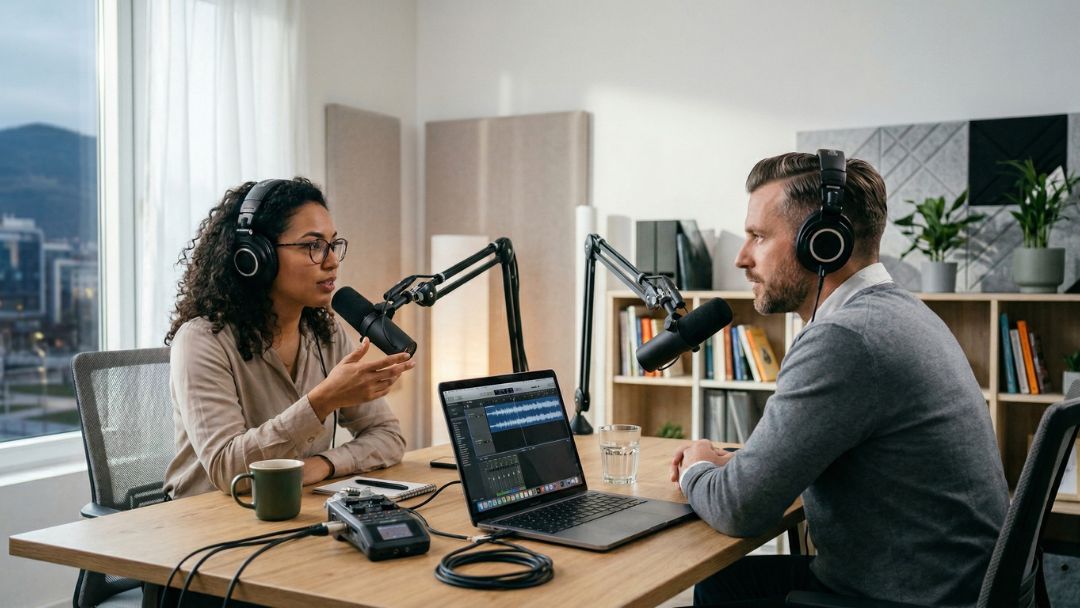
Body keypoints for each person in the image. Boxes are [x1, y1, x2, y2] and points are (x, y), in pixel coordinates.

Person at [670, 153, 1008, 607]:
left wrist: (696, 465)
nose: (741, 258)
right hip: (956, 585)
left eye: (759, 236)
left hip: (910, 597)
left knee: (722, 586)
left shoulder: (844, 339)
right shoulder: (902, 313)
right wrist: (742, 466)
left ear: (823, 243)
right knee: (729, 583)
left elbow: (737, 509)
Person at [164, 177, 413, 499]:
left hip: (293, 510)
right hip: (207, 521)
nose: (332, 261)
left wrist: (324, 464)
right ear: (255, 257)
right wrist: (322, 401)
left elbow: (388, 436)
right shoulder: (202, 341)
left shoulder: (326, 334)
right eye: (312, 245)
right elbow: (230, 470)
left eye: (333, 244)